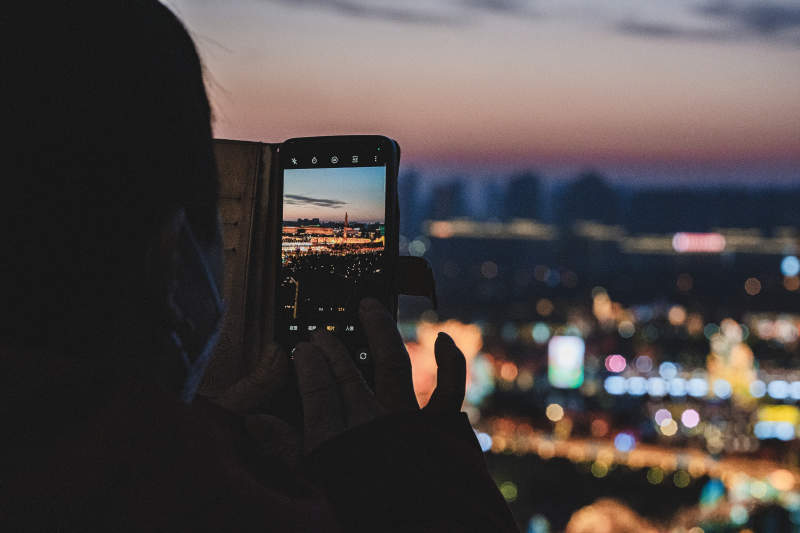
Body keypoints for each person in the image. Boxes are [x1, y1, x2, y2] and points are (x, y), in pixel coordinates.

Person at [0, 1, 518, 531]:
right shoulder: (215, 506)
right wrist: (417, 492)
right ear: (170, 253)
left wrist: (193, 439)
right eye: (217, 213)